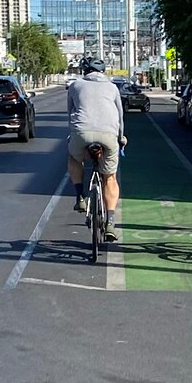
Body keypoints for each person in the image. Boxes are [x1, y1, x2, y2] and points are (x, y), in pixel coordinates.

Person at [65, 55, 125, 244]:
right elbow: (120, 117)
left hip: (81, 132)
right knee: (110, 177)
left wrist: (73, 134)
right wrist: (121, 137)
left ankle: (80, 196)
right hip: (108, 135)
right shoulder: (112, 87)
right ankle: (110, 223)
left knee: (74, 159)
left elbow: (71, 113)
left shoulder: (75, 86)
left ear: (84, 71)